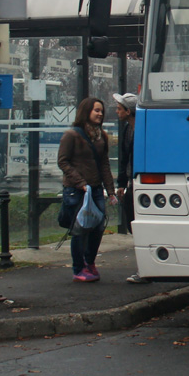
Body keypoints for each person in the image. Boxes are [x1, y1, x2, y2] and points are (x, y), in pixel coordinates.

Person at [58, 97, 116, 283]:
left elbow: (104, 164)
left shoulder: (102, 136)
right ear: (86, 112)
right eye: (96, 110)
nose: (100, 114)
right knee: (80, 229)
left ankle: (89, 262)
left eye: (101, 111)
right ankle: (78, 268)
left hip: (96, 189)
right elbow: (63, 161)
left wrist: (111, 190)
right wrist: (80, 181)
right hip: (77, 190)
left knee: (98, 226)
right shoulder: (72, 135)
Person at [113, 92, 146, 284]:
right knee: (131, 221)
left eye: (120, 108)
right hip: (132, 182)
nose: (117, 112)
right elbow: (124, 158)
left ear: (129, 111)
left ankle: (144, 268)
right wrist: (121, 183)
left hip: (140, 181)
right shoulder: (128, 129)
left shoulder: (142, 129)